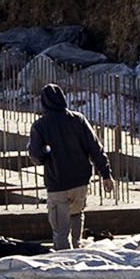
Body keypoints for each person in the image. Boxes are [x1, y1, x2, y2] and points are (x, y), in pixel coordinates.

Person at [28, 83, 116, 250]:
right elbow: (95, 148)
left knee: (61, 232)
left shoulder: (40, 126)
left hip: (58, 185)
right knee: (76, 215)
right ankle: (78, 254)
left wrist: (46, 155)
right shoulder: (78, 119)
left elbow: (36, 156)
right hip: (80, 184)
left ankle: (65, 268)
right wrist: (106, 174)